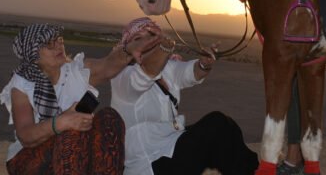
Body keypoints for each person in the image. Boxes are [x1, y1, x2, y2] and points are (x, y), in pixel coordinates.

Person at [0, 22, 160, 174]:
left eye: (58, 40)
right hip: (28, 159)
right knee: (72, 132)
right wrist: (62, 122)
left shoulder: (76, 71)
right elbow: (26, 136)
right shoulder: (22, 84)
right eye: (49, 44)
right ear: (33, 54)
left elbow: (108, 65)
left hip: (76, 154)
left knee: (109, 117)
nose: (58, 46)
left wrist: (131, 48)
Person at [111, 17, 259, 175]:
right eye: (138, 39)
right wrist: (164, 49)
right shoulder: (122, 76)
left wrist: (204, 63)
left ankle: (253, 171)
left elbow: (189, 72)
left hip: (171, 145)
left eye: (149, 37)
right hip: (149, 162)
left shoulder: (166, 69)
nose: (144, 43)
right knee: (216, 124)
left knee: (228, 127)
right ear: (127, 46)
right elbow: (144, 77)